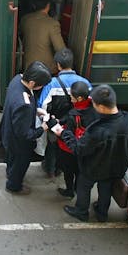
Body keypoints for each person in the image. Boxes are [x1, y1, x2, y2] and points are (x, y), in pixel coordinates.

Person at [57, 84, 128, 222]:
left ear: (101, 107)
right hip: (115, 168)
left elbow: (79, 149)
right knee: (105, 189)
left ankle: (81, 211)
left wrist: (64, 133)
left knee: (83, 187)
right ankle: (102, 213)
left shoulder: (97, 130)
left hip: (93, 168)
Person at [0, 61, 52, 195]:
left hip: (8, 132)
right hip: (19, 144)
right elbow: (25, 134)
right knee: (20, 165)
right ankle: (14, 186)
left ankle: (10, 173)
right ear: (33, 83)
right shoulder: (24, 104)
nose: (41, 87)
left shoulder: (17, 80)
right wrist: (43, 127)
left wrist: (36, 110)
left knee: (11, 159)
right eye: (41, 85)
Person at [37, 48, 91, 177]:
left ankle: (50, 170)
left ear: (58, 65)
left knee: (52, 147)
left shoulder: (51, 84)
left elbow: (42, 106)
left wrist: (47, 121)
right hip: (77, 124)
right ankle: (65, 170)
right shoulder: (85, 83)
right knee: (71, 147)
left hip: (57, 124)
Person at [54, 81, 99, 198]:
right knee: (80, 172)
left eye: (71, 96)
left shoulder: (74, 115)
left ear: (79, 98)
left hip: (70, 150)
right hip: (87, 149)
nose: (70, 97)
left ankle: (69, 191)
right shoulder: (94, 108)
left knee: (69, 172)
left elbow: (66, 135)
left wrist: (56, 127)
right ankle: (77, 189)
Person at [19, 0, 65, 74]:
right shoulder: (52, 23)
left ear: (34, 6)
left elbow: (20, 36)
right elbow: (60, 49)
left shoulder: (25, 19)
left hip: (27, 65)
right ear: (48, 6)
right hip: (46, 68)